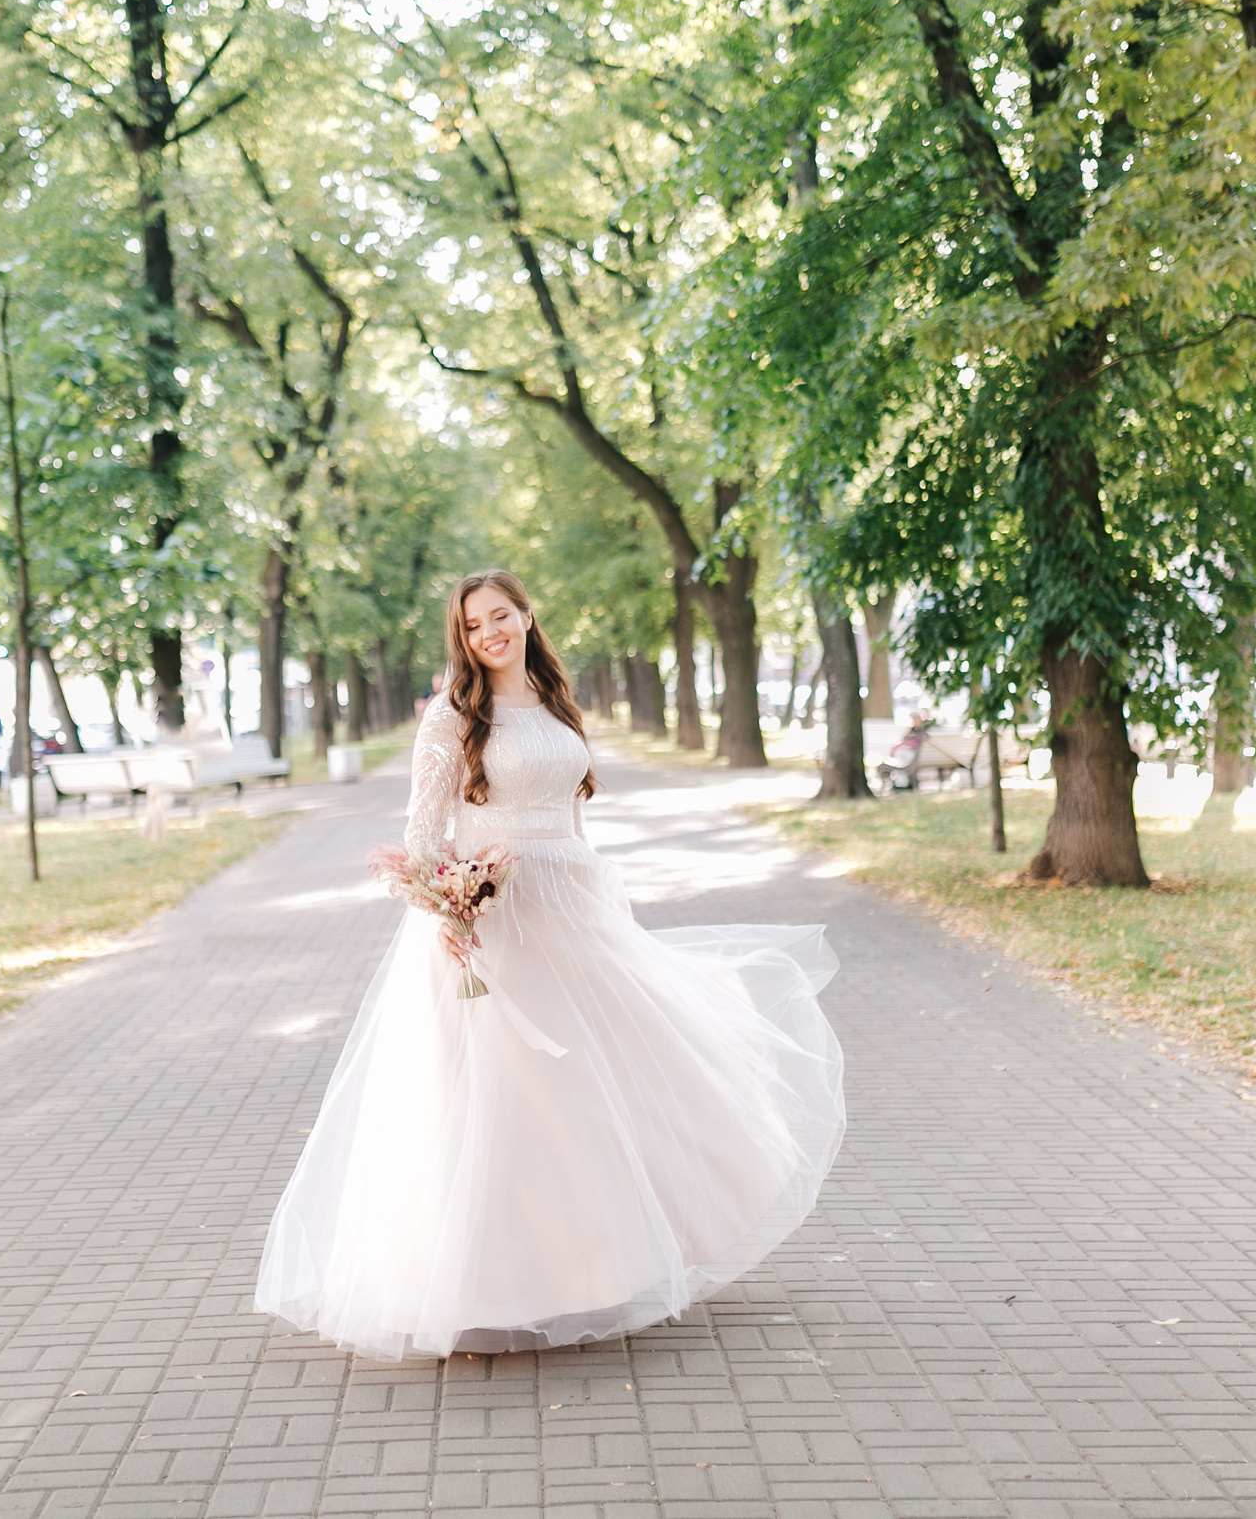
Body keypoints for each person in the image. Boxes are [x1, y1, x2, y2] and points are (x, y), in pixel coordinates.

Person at [256, 569, 846, 1361]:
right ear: (462, 639)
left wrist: (600, 899)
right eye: (472, 625)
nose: (489, 632)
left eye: (500, 615)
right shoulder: (453, 716)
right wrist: (451, 908)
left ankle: (596, 1268)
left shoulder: (556, 701)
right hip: (497, 919)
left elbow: (570, 814)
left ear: (528, 616)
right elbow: (423, 834)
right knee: (513, 1101)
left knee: (617, 1079)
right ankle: (490, 1288)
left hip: (575, 908)